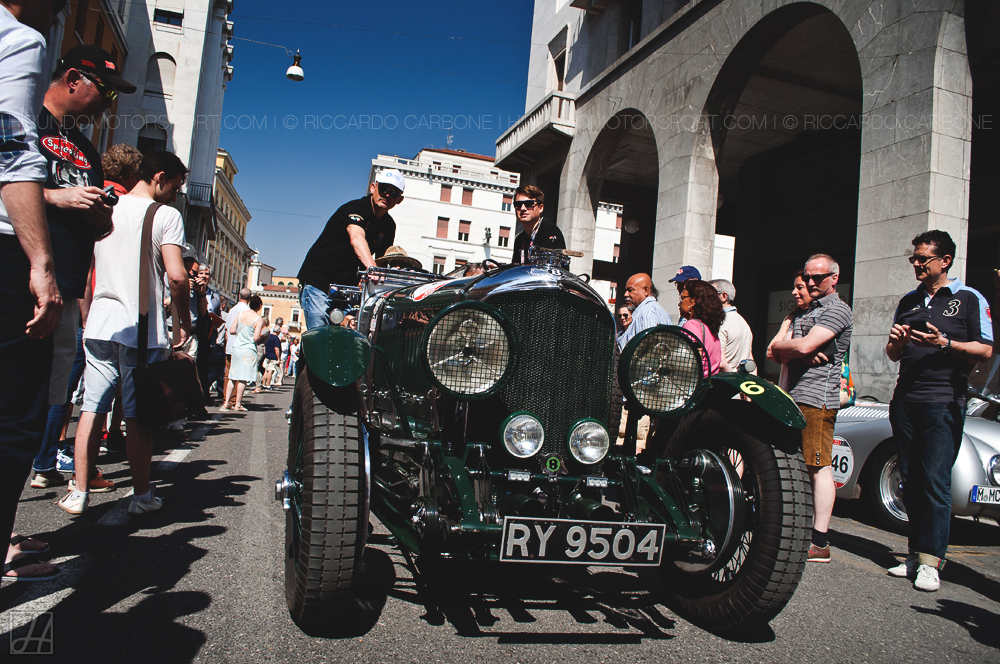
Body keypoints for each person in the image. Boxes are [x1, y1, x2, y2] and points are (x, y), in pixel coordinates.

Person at [58, 151, 191, 516]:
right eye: (176, 187)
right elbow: (177, 276)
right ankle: (142, 496)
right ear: (160, 177)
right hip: (141, 329)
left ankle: (79, 491)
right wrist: (184, 322)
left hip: (100, 323)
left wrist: (88, 315)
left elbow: (88, 271)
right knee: (137, 415)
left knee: (91, 409)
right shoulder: (165, 215)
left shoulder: (105, 205)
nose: (176, 195)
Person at [885, 230, 992, 592]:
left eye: (922, 258)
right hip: (905, 401)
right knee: (911, 481)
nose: (916, 263)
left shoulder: (968, 298)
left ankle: (932, 560)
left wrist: (944, 343)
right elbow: (892, 353)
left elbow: (986, 350)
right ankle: (915, 555)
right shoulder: (909, 300)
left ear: (944, 261)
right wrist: (896, 344)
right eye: (913, 258)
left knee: (934, 480)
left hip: (944, 401)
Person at [1, 0, 65, 583]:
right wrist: (41, 262)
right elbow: (12, 153)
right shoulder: (18, 38)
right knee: (14, 414)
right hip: (2, 246)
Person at [769, 254, 853, 564]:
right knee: (799, 466)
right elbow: (774, 350)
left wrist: (792, 350)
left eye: (818, 277)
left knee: (818, 467)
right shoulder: (807, 312)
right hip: (793, 396)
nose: (811, 283)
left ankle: (820, 541)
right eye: (808, 276)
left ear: (834, 277)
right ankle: (802, 532)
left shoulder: (837, 310)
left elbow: (800, 347)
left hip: (817, 400)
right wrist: (791, 351)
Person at [297, 169, 405, 329]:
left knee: (348, 334)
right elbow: (356, 238)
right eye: (384, 189)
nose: (388, 195)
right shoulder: (355, 208)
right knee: (319, 333)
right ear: (373, 188)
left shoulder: (389, 226)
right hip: (319, 281)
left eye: (394, 193)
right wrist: (373, 269)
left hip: (347, 290)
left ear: (399, 200)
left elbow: (384, 260)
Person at [767, 270, 812, 390]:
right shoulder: (792, 317)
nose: (794, 292)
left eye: (800, 287)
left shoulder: (822, 316)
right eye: (794, 288)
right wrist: (803, 354)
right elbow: (770, 351)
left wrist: (789, 351)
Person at [222, 295, 264, 412]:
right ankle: (238, 404)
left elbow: (232, 330)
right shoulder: (258, 319)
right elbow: (255, 337)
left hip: (237, 347)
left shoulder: (240, 314)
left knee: (232, 376)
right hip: (248, 349)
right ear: (259, 306)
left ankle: (226, 402)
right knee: (243, 378)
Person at [678, 279, 728, 376]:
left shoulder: (691, 325)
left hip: (695, 385)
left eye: (682, 298)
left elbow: (690, 361)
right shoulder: (710, 327)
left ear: (694, 301)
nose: (679, 303)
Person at [510, 185, 565, 264]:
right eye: (518, 204)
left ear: (540, 208)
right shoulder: (519, 239)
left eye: (529, 204)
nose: (522, 208)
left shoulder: (551, 233)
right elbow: (515, 270)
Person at [709, 278, 754, 372]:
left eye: (710, 294)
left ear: (724, 296)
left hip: (723, 382)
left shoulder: (721, 322)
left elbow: (721, 362)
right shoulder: (744, 323)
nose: (705, 299)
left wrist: (733, 378)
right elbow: (751, 362)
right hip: (740, 382)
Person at [618, 273, 672, 350]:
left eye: (630, 290)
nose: (626, 294)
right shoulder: (661, 312)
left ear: (646, 290)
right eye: (626, 290)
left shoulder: (647, 313)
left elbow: (648, 350)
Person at [224, 288, 252, 406]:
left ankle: (227, 399)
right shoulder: (248, 312)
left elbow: (227, 329)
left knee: (228, 374)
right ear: (250, 299)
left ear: (239, 295)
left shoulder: (232, 310)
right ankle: (235, 400)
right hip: (242, 346)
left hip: (231, 344)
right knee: (239, 375)